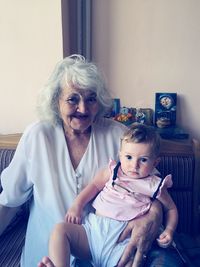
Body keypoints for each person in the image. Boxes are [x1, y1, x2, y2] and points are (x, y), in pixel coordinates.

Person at [0, 55, 183, 267]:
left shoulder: (119, 135)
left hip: (109, 252)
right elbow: (8, 202)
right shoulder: (37, 136)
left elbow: (152, 186)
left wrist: (153, 216)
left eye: (91, 99)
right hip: (48, 255)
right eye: (72, 99)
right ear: (55, 100)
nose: (83, 109)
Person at [38, 123, 178, 267]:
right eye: (129, 157)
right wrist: (77, 205)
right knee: (60, 231)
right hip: (93, 232)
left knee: (133, 261)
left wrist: (169, 230)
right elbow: (94, 186)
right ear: (120, 155)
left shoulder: (154, 185)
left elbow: (171, 209)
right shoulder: (113, 171)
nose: (134, 165)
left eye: (143, 160)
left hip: (123, 241)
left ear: (155, 162)